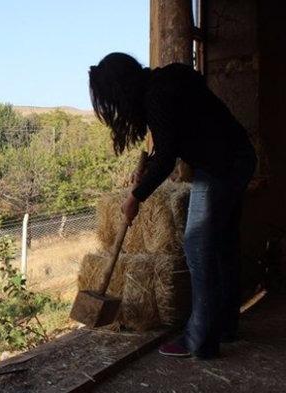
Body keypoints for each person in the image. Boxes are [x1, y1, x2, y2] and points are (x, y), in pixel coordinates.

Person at [88, 52, 256, 359]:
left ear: (121, 88)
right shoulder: (163, 84)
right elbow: (172, 142)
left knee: (197, 246)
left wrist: (135, 197)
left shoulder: (158, 96)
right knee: (223, 248)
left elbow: (167, 158)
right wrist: (148, 166)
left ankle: (200, 339)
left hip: (221, 167)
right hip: (238, 158)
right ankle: (225, 326)